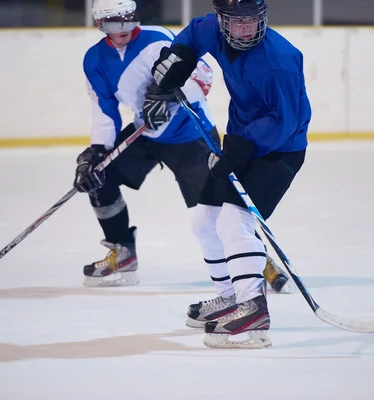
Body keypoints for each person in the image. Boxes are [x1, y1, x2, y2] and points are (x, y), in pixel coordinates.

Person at [73, 0, 291, 294]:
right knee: (100, 178)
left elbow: (202, 75)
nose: (121, 30)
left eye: (126, 20)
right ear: (99, 24)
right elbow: (104, 107)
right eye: (112, 23)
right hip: (145, 133)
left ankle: (257, 260)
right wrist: (98, 150)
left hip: (190, 134)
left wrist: (170, 97)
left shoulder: (157, 39)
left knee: (219, 206)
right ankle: (122, 250)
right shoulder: (94, 59)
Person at [151, 0, 311, 348]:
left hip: (279, 150)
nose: (245, 30)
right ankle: (230, 297)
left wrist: (242, 145)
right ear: (223, 21)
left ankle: (253, 311)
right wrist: (178, 56)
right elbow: (193, 33)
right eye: (236, 23)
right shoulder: (214, 30)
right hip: (241, 141)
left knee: (232, 222)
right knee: (204, 221)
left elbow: (285, 120)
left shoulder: (278, 61)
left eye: (252, 21)